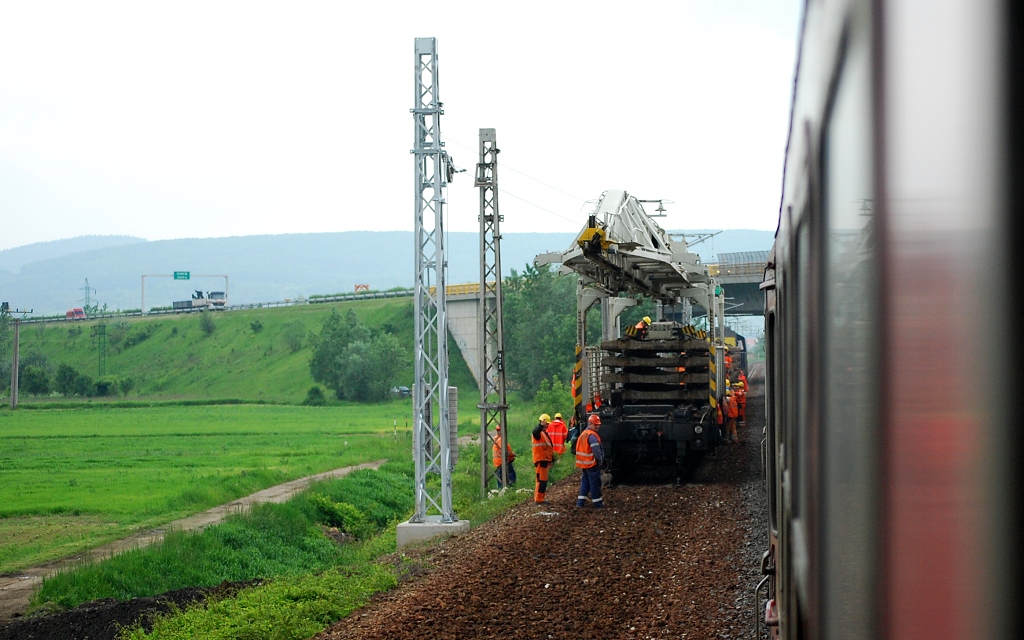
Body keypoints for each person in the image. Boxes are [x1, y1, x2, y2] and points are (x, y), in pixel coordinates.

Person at [576, 414, 605, 508]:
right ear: (590, 424)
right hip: (592, 463)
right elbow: (596, 451)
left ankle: (580, 503)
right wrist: (600, 460)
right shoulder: (592, 436)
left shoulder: (584, 433)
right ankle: (598, 503)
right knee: (595, 483)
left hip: (585, 464)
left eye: (598, 424)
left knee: (585, 482)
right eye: (596, 425)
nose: (597, 426)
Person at [532, 414, 555, 503]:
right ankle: (538, 500)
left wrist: (551, 458)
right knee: (541, 480)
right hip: (540, 460)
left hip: (544, 460)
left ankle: (540, 499)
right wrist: (540, 426)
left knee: (543, 481)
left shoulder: (544, 434)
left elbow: (548, 447)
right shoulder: (538, 433)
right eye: (546, 424)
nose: (547, 426)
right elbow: (535, 432)